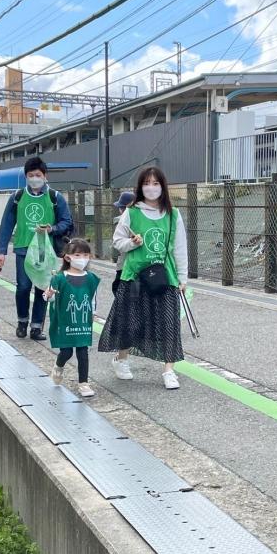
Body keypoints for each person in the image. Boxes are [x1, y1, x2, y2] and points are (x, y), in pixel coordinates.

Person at [98, 167, 187, 390]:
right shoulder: (132, 213)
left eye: (156, 183)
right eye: (147, 183)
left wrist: (183, 278)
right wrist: (132, 244)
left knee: (169, 324)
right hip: (134, 276)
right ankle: (122, 359)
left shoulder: (173, 215)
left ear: (163, 187)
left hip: (164, 277)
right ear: (140, 187)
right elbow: (117, 242)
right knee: (130, 320)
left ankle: (169, 370)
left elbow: (180, 249)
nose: (151, 187)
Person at [0, 156, 73, 341]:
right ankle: (22, 322)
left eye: (38, 175)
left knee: (42, 288)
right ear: (26, 177)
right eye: (31, 175)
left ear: (45, 176)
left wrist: (52, 229)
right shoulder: (17, 197)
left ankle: (37, 327)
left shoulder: (55, 197)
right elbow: (6, 224)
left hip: (45, 250)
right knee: (22, 287)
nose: (34, 178)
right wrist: (1, 251)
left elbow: (67, 222)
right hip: (23, 248)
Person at [44, 239, 100, 398]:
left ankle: (83, 383)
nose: (82, 258)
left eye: (85, 254)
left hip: (83, 321)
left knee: (83, 352)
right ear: (68, 257)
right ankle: (58, 365)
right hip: (65, 321)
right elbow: (50, 297)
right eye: (78, 254)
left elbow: (92, 298)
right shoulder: (59, 278)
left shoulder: (91, 278)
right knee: (67, 352)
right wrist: (48, 296)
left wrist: (93, 313)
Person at [111, 190, 135, 295]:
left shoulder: (121, 220)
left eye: (121, 207)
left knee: (118, 289)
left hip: (125, 264)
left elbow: (117, 243)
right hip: (139, 265)